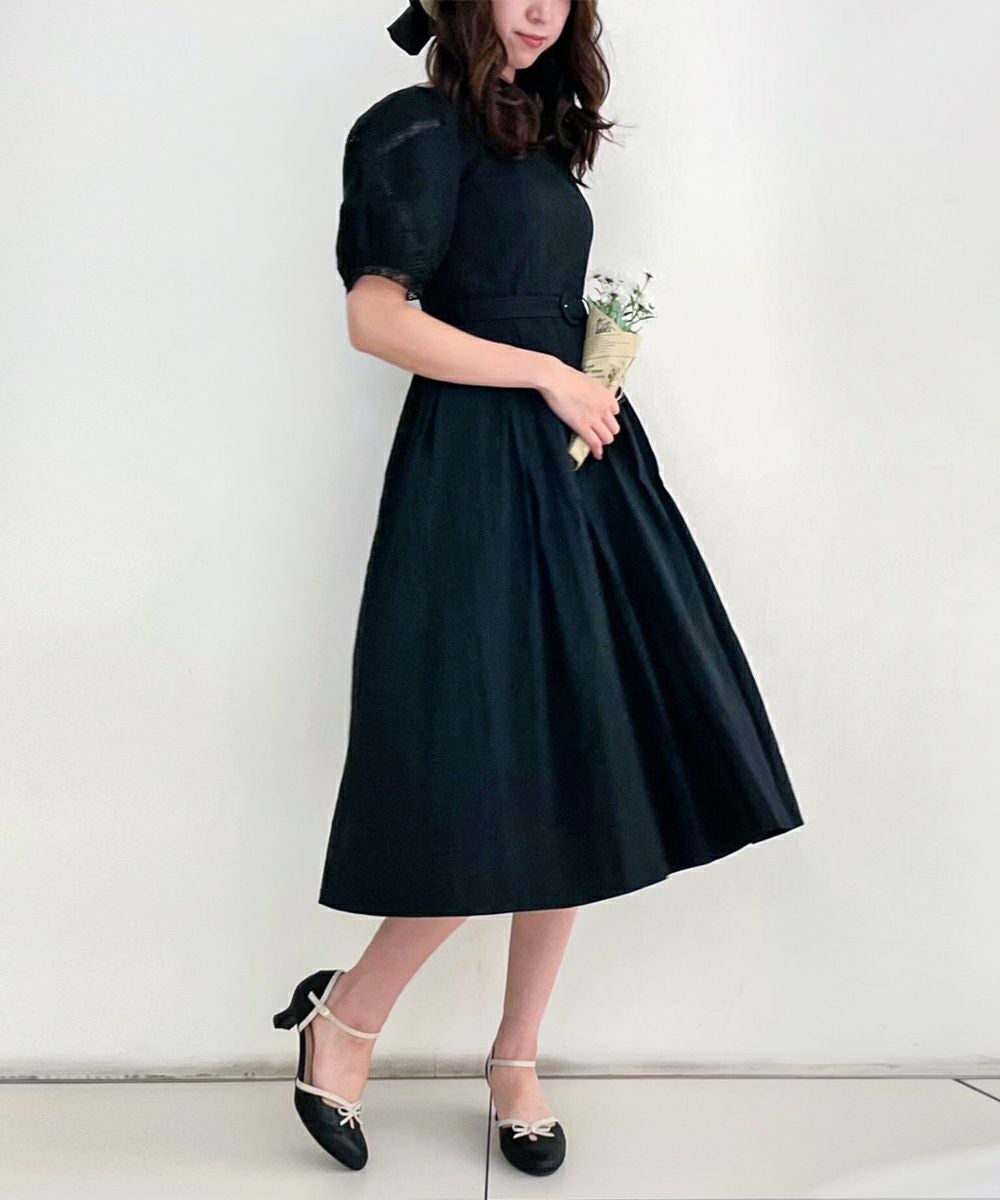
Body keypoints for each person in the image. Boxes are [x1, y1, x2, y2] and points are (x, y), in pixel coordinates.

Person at [273, 0, 805, 1177]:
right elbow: (375, 318)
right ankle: (347, 1018)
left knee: (581, 760)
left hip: (577, 470)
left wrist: (583, 365)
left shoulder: (546, 135)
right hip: (473, 469)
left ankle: (516, 1056)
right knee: (485, 766)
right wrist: (543, 372)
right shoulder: (413, 126)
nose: (537, 8)